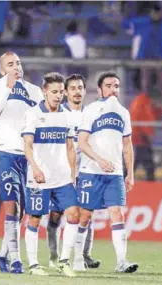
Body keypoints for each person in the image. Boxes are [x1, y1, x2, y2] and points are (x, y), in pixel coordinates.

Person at [0, 52, 43, 273]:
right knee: (13, 206)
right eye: (10, 64)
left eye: (18, 62)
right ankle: (17, 260)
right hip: (5, 153)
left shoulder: (34, 91)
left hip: (28, 156)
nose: (16, 67)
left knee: (22, 212)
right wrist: (8, 87)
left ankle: (2, 256)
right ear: (2, 70)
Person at [76, 72, 138, 273]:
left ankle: (122, 261)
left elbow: (127, 145)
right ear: (100, 89)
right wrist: (99, 160)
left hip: (115, 174)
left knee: (117, 213)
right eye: (109, 85)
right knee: (85, 216)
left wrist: (130, 173)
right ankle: (77, 258)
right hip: (91, 171)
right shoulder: (91, 110)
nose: (114, 89)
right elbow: (82, 143)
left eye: (117, 86)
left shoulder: (124, 113)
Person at [22, 72, 79, 277]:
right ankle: (34, 264)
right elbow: (27, 145)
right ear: (44, 91)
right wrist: (35, 168)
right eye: (54, 92)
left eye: (61, 92)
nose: (58, 96)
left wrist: (73, 174)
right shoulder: (33, 114)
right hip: (39, 177)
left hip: (62, 177)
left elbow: (70, 146)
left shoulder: (67, 115)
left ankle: (63, 260)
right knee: (35, 219)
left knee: (74, 214)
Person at [46, 74, 101, 271]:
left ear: (85, 91)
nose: (77, 91)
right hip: (60, 171)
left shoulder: (92, 114)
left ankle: (84, 255)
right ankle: (53, 255)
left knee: (86, 213)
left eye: (80, 88)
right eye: (73, 88)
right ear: (66, 92)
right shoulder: (60, 113)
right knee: (55, 215)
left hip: (85, 171)